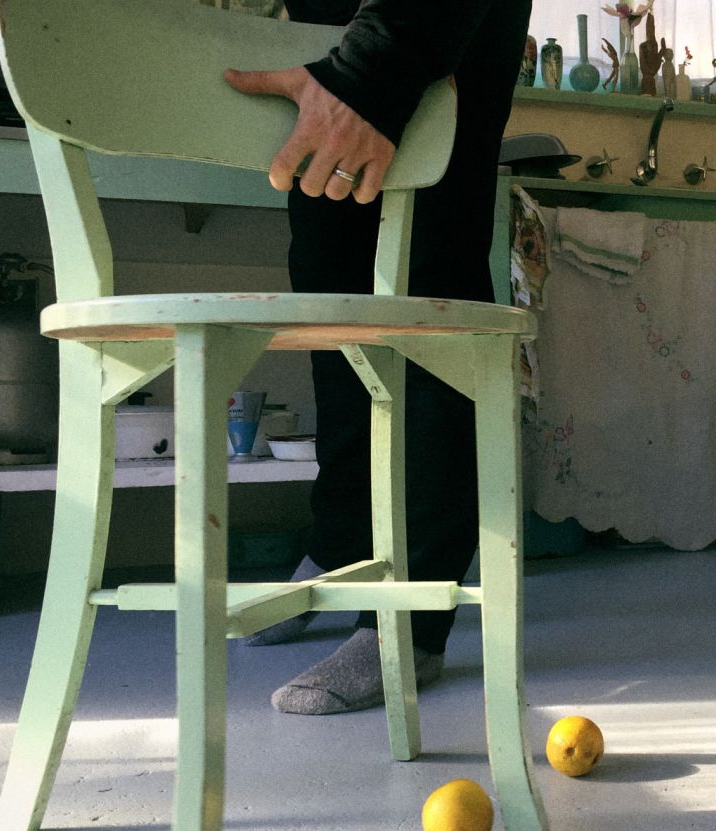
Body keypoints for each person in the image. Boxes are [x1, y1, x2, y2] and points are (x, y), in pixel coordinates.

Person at [223, 0, 532, 714]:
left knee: (426, 315)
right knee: (335, 319)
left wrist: (373, 66)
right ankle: (342, 544)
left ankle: (412, 617)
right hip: (323, 48)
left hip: (433, 38)